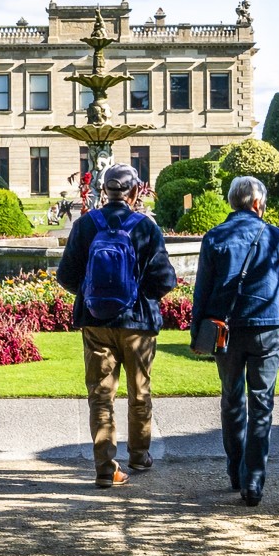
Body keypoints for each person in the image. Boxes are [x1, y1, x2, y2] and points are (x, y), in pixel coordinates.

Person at [190, 175, 279, 507]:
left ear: (234, 202)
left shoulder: (215, 236)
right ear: (258, 203)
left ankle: (235, 471)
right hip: (268, 327)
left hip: (226, 330)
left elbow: (201, 291)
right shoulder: (273, 236)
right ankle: (254, 478)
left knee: (231, 400)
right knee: (262, 404)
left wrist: (195, 335)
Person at [57, 163, 177, 488]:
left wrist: (94, 295)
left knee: (100, 396)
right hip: (138, 324)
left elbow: (65, 276)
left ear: (103, 190)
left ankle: (106, 469)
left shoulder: (84, 225)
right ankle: (139, 456)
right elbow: (166, 279)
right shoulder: (146, 227)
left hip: (96, 324)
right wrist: (138, 294)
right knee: (140, 393)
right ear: (136, 191)